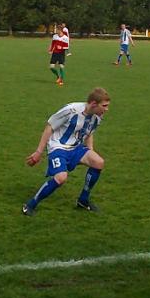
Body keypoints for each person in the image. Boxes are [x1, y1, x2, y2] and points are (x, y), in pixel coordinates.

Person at [22, 87, 110, 216]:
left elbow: (89, 133)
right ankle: (30, 205)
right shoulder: (71, 110)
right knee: (61, 178)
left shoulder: (97, 116)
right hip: (58, 147)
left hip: (75, 148)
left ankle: (83, 200)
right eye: (104, 106)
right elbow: (49, 127)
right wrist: (38, 152)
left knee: (98, 162)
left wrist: (91, 151)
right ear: (93, 104)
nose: (106, 109)